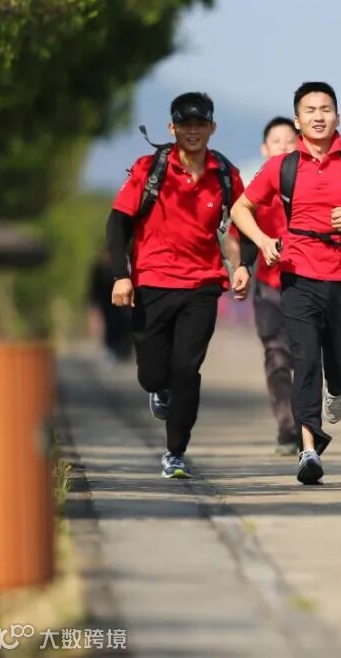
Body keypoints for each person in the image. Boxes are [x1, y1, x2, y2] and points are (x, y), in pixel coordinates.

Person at [231, 82, 341, 485]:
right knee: (305, 360)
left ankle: (339, 387)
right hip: (299, 276)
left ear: (337, 117)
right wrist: (262, 242)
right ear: (298, 121)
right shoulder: (283, 166)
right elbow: (241, 209)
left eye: (325, 109)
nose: (318, 116)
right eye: (309, 110)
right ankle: (308, 449)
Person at [106, 92, 252, 479]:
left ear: (212, 128)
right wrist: (122, 274)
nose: (193, 130)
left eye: (200, 124)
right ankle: (160, 389)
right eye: (185, 123)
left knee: (187, 369)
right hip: (152, 281)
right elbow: (117, 223)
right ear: (172, 127)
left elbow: (244, 224)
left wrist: (242, 266)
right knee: (153, 375)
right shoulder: (149, 169)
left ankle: (175, 453)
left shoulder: (226, 174)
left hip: (203, 284)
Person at [250, 117, 300, 456]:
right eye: (276, 141)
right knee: (277, 356)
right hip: (269, 285)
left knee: (306, 357)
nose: (283, 146)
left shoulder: (311, 186)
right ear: (265, 149)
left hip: (307, 283)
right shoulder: (255, 192)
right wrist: (241, 267)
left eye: (289, 140)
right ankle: (286, 426)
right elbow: (237, 234)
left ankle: (308, 425)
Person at [88, 248, 133, 365]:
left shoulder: (122, 268)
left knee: (125, 326)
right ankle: (113, 351)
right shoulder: (99, 269)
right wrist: (93, 306)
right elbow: (94, 289)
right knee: (110, 328)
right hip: (107, 305)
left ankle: (125, 352)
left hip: (123, 305)